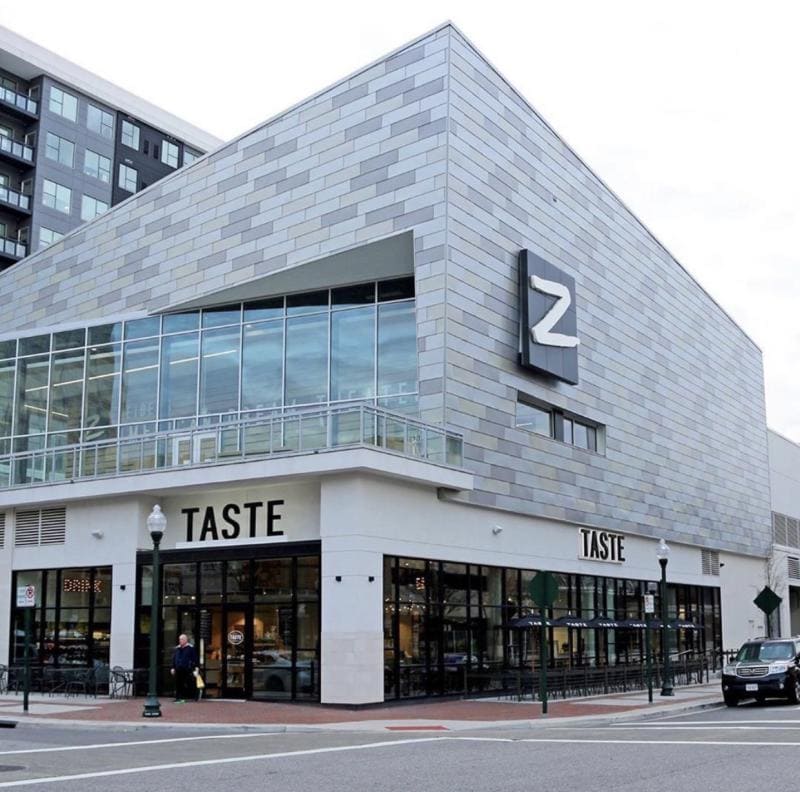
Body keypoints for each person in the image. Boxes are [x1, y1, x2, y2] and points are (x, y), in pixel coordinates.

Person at [170, 634, 198, 703]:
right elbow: (174, 658)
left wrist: (195, 668)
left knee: (188, 683)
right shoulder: (177, 648)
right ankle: (178, 697)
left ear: (186, 640)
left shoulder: (190, 648)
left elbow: (194, 659)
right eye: (180, 639)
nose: (180, 641)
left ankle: (189, 696)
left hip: (187, 669)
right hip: (178, 669)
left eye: (182, 639)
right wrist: (173, 667)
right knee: (178, 684)